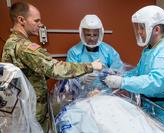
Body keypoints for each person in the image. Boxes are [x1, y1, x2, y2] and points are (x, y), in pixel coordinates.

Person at [1, 2, 103, 132]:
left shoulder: (11, 43)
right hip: (33, 112)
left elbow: (31, 73)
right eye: (36, 20)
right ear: (21, 20)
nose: (40, 24)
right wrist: (90, 66)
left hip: (22, 109)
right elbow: (54, 69)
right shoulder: (25, 47)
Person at [104, 5, 164, 131]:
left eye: (142, 27)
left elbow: (158, 81)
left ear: (156, 29)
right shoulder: (149, 49)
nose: (139, 32)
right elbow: (139, 72)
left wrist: (122, 82)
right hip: (151, 105)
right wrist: (120, 77)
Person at [66, 14, 123, 92]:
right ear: (82, 34)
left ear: (100, 34)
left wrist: (107, 74)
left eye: (95, 35)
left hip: (105, 95)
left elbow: (119, 71)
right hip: (81, 96)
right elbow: (67, 75)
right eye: (88, 35)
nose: (92, 38)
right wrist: (80, 78)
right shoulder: (74, 52)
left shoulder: (108, 50)